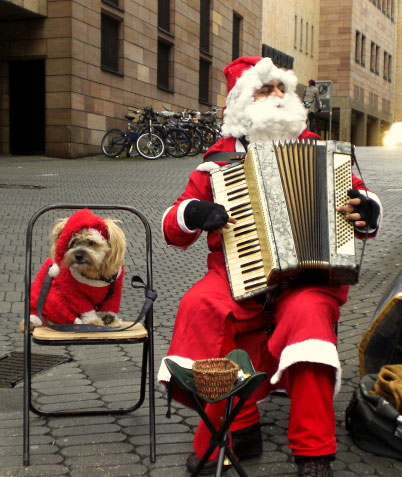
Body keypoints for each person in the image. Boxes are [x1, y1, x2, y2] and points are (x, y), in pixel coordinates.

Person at [157, 56, 382, 477]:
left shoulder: (324, 152)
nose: (278, 97)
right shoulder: (216, 162)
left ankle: (314, 452)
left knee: (308, 319)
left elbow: (361, 205)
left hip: (311, 278)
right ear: (241, 101)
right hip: (234, 274)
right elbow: (173, 228)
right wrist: (196, 212)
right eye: (266, 89)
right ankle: (233, 431)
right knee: (199, 305)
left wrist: (368, 211)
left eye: (283, 88)